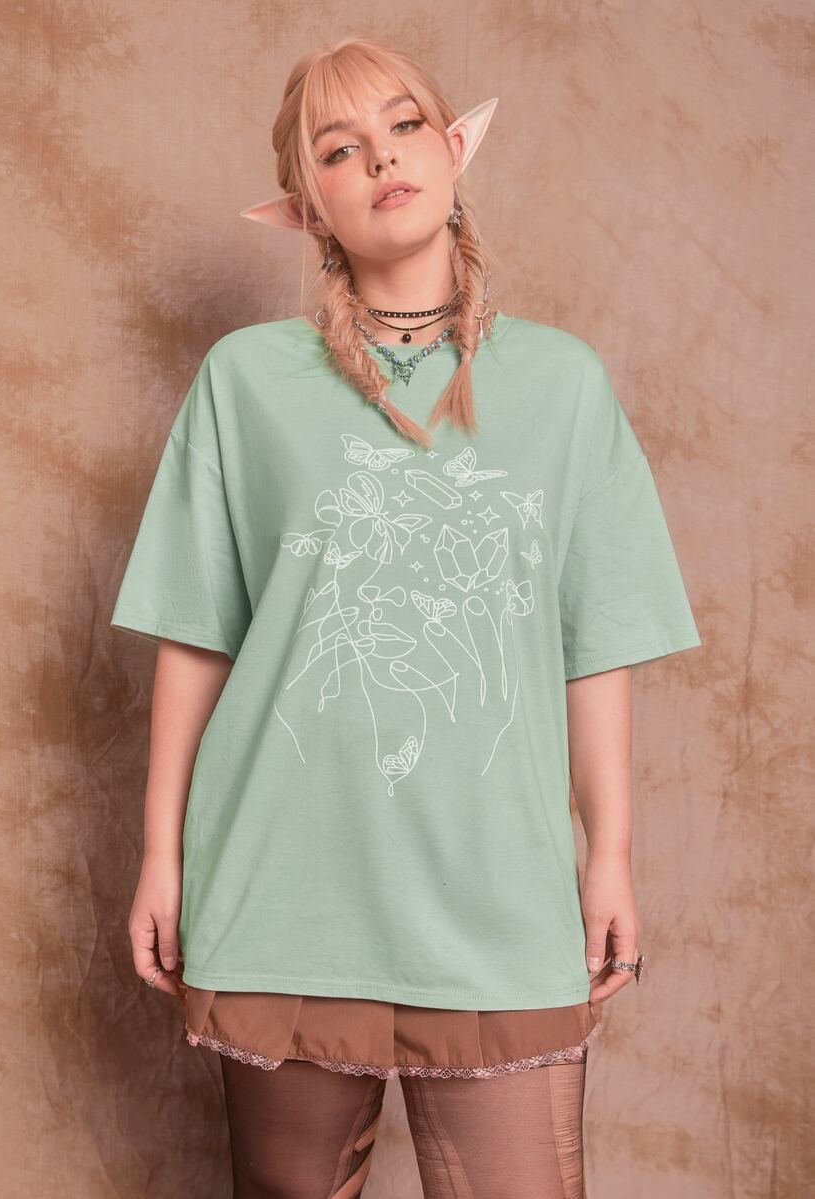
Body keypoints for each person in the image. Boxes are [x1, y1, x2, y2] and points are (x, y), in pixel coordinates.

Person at [111, 36, 702, 1198]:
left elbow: (596, 643)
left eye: (404, 126)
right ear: (307, 208)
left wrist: (611, 855)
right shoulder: (244, 379)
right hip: (283, 885)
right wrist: (162, 853)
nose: (381, 159)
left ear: (452, 150)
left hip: (499, 884)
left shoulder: (565, 383)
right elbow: (198, 635)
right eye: (340, 150)